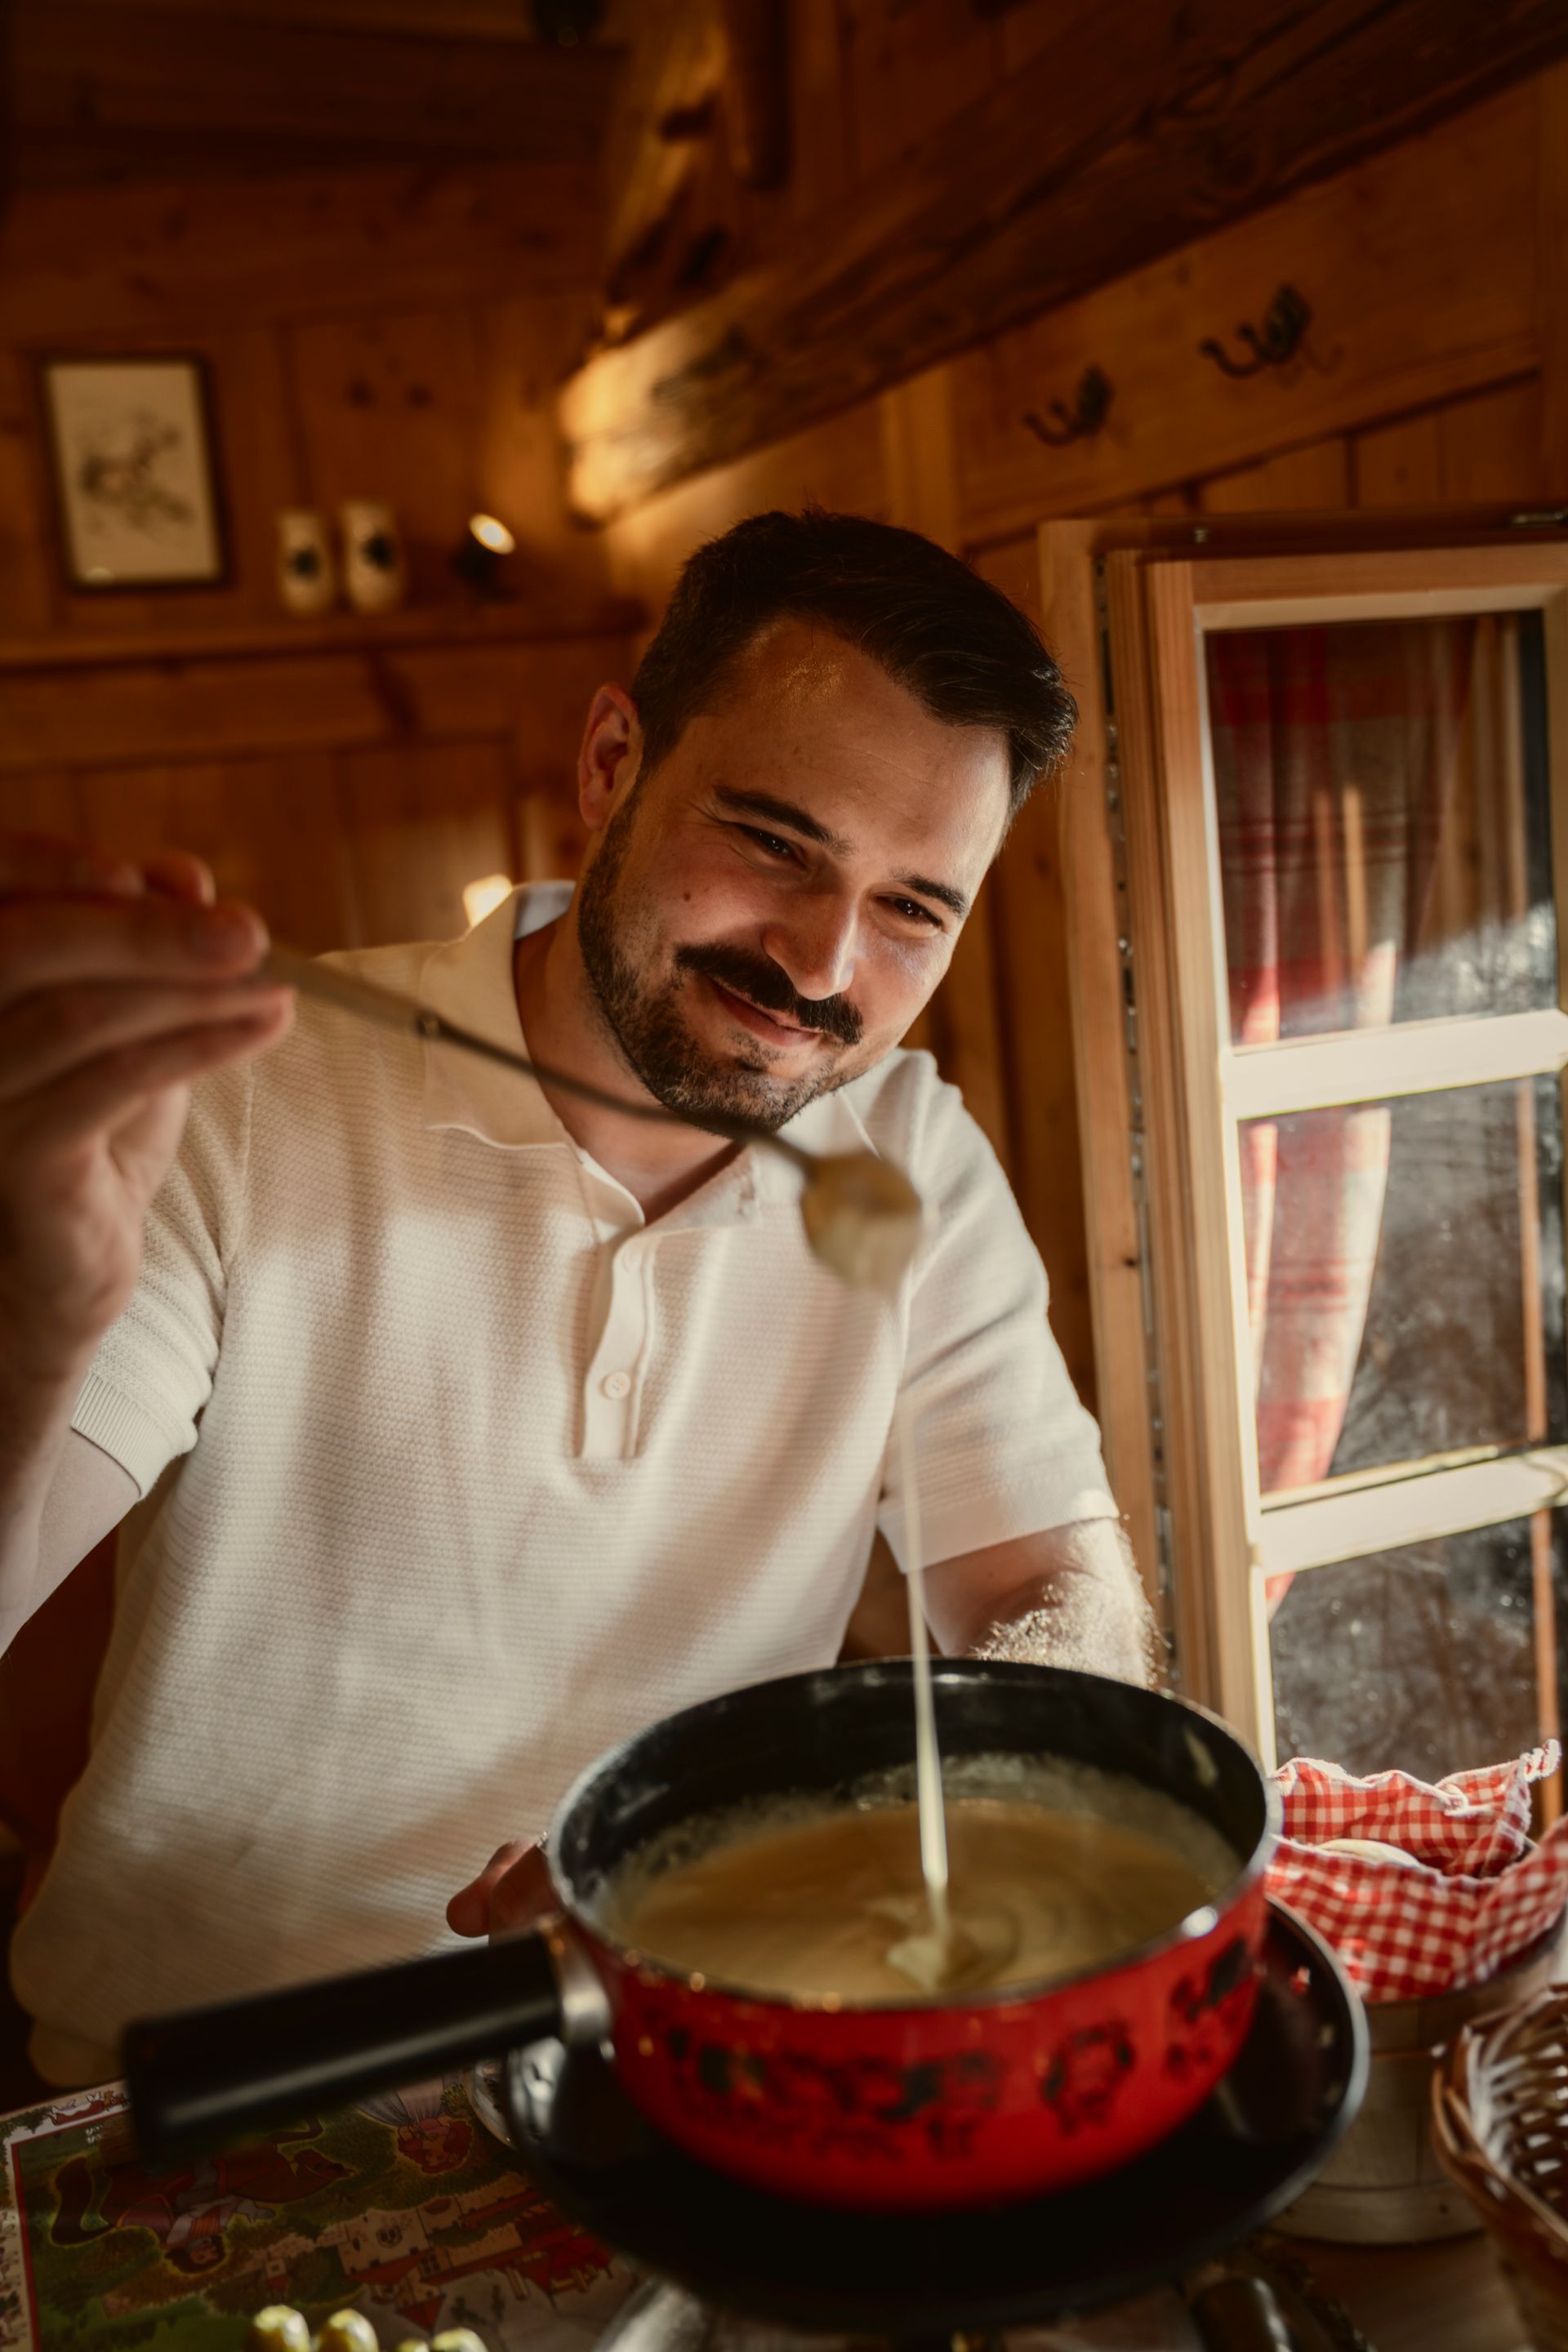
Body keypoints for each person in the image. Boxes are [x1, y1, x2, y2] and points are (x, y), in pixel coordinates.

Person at [0, 509, 1153, 2087]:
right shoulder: (250, 1092)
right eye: (774, 841)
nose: (823, 963)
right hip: (205, 2102)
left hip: (681, 2066)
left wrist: (825, 1828)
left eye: (913, 910)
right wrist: (38, 1322)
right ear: (613, 758)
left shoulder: (912, 1158)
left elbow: (1065, 1603)